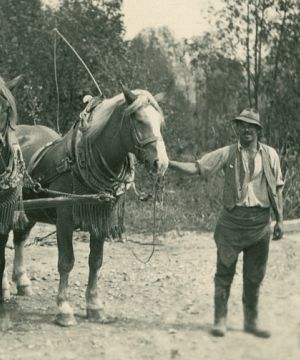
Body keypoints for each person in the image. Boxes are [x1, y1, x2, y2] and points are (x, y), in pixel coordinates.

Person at [169, 108, 284, 338]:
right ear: (237, 129)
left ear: (258, 130)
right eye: (242, 125)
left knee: (254, 276)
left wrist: (279, 219)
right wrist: (168, 163)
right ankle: (220, 320)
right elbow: (197, 167)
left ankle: (251, 321)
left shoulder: (270, 155)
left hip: (260, 224)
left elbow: (278, 188)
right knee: (224, 272)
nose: (246, 129)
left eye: (251, 126)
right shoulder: (228, 153)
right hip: (231, 223)